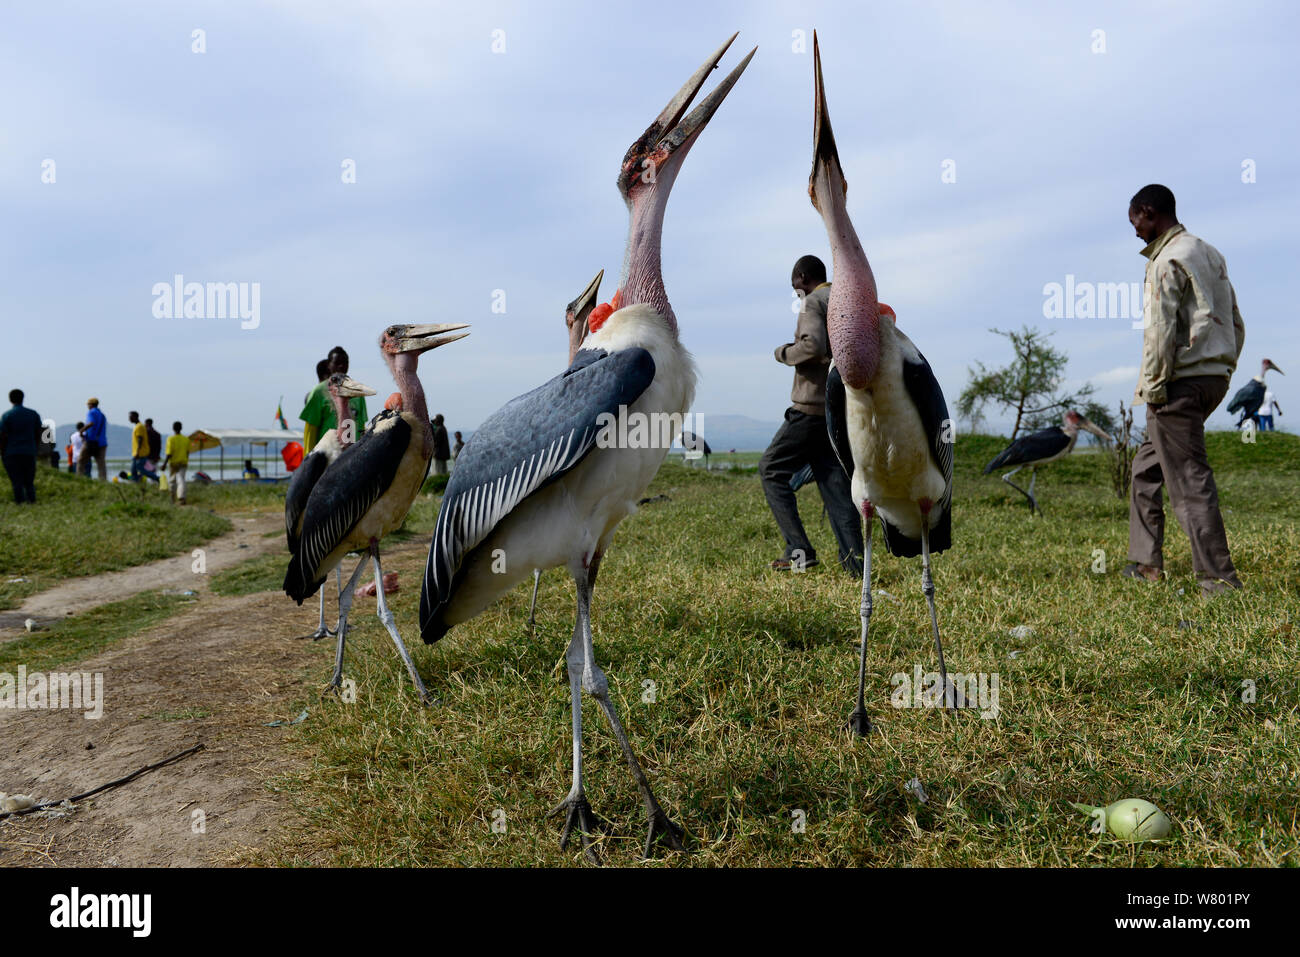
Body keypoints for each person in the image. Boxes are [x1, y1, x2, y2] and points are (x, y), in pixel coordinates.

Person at [1124, 184, 1245, 596]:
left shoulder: (1166, 260)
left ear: (1148, 212)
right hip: (1211, 378)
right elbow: (1234, 319)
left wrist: (1154, 391)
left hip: (1178, 384)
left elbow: (1158, 332)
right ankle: (1145, 563)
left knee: (1190, 480)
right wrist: (1224, 366)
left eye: (1135, 222)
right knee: (1145, 468)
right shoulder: (1208, 252)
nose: (1135, 231)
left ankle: (1217, 580)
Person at [759, 255, 864, 574]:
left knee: (771, 469)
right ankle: (855, 564)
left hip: (809, 408)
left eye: (796, 288)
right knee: (834, 484)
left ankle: (799, 549)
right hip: (838, 408)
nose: (797, 295)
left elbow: (812, 346)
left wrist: (782, 353)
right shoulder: (845, 298)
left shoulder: (812, 303)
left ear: (803, 277)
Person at [300, 347, 367, 453]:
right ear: (329, 365)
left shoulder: (357, 391)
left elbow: (361, 426)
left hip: (352, 455)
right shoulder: (318, 392)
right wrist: (308, 460)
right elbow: (310, 431)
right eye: (337, 363)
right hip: (326, 455)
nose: (341, 366)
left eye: (345, 362)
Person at [0, 389, 43, 504]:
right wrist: (35, 447)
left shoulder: (7, 415)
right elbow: (39, 433)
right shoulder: (33, 414)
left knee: (16, 481)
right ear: (23, 398)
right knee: (29, 481)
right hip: (29, 451)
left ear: (10, 399)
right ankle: (32, 501)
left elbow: (3, 436)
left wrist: (2, 452)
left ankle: (19, 502)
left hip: (11, 452)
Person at [79, 397, 108, 479]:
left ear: (91, 405)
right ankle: (103, 480)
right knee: (101, 464)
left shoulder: (91, 413)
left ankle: (79, 478)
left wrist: (81, 430)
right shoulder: (102, 415)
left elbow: (91, 423)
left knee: (81, 461)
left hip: (91, 441)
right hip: (102, 442)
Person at [162, 421, 190, 504]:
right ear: (181, 428)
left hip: (174, 464)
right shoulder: (186, 439)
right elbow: (187, 452)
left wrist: (164, 464)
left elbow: (169, 453)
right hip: (183, 462)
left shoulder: (171, 439)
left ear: (173, 428)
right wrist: (186, 460)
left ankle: (173, 498)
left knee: (172, 481)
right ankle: (181, 497)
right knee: (181, 480)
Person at [128, 411, 154, 483]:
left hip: (140, 453)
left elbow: (140, 439)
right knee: (135, 470)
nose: (129, 419)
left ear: (135, 417)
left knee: (141, 470)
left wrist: (137, 451)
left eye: (130, 417)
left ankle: (157, 478)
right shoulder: (138, 426)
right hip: (137, 453)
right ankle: (136, 483)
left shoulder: (139, 426)